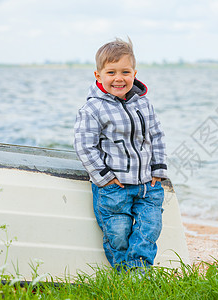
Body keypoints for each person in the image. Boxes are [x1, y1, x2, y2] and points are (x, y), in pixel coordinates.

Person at [74, 37, 167, 271]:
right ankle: (124, 272)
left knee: (150, 227)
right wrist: (105, 178)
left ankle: (139, 270)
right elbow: (85, 146)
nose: (119, 78)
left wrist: (158, 168)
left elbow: (156, 136)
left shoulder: (144, 104)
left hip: (148, 184)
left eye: (125, 72)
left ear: (134, 73)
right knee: (117, 233)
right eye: (111, 72)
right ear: (98, 76)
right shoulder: (93, 108)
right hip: (114, 187)